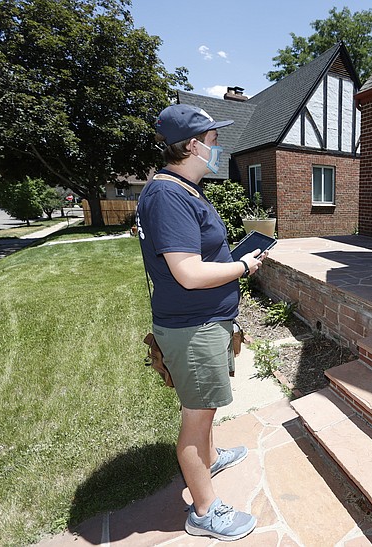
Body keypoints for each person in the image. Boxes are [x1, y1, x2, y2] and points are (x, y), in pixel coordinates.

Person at [136, 104, 264, 541]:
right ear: (192, 145)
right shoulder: (169, 195)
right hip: (194, 327)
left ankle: (211, 456)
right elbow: (188, 273)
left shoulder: (180, 188)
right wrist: (244, 266)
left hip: (203, 321)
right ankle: (205, 511)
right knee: (197, 418)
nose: (217, 148)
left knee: (203, 414)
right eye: (213, 141)